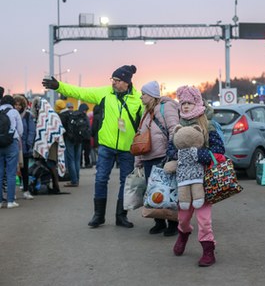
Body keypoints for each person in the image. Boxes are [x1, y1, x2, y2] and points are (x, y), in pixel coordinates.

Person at [42, 65, 143, 228]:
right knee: (101, 179)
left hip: (127, 148)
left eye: (117, 81)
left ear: (126, 82)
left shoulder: (138, 99)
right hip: (106, 146)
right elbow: (81, 92)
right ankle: (98, 215)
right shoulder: (105, 93)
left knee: (127, 182)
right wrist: (59, 86)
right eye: (113, 80)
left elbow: (149, 116)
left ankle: (121, 216)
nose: (114, 83)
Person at [167, 85, 225, 267]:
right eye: (182, 103)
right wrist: (179, 155)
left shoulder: (208, 125)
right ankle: (183, 235)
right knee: (183, 218)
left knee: (204, 219)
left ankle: (208, 250)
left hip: (204, 180)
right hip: (183, 180)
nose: (184, 106)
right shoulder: (178, 125)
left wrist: (198, 155)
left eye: (189, 103)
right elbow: (171, 150)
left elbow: (219, 152)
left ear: (197, 103)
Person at [134, 81, 180, 236]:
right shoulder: (146, 112)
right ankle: (159, 222)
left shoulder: (166, 107)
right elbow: (141, 135)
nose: (141, 97)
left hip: (163, 156)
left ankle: (173, 223)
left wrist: (172, 152)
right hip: (148, 157)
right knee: (152, 192)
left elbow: (174, 129)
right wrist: (138, 160)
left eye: (143, 94)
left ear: (152, 95)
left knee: (169, 190)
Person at [31, 97, 67, 194]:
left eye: (38, 106)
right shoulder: (44, 116)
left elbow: (58, 130)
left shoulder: (51, 115)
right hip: (46, 143)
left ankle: (56, 187)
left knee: (51, 165)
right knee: (46, 166)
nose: (37, 108)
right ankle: (46, 186)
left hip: (52, 145)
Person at [0, 95, 23, 208]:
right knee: (11, 173)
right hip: (11, 143)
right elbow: (20, 130)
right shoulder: (14, 112)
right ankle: (10, 201)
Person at [14, 95, 36, 200]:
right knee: (12, 169)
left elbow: (31, 131)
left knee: (24, 169)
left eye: (19, 104)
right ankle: (11, 192)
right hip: (13, 146)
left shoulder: (27, 115)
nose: (18, 107)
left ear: (23, 105)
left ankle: (26, 190)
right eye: (16, 104)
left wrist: (28, 143)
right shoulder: (12, 115)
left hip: (24, 147)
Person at [78, 103, 92, 169]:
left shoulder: (84, 116)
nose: (85, 111)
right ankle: (85, 163)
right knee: (83, 152)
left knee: (85, 152)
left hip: (84, 137)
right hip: (83, 137)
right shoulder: (83, 116)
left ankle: (84, 163)